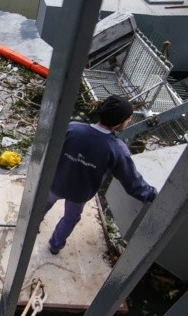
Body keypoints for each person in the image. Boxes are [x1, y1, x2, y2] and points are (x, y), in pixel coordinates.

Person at [44, 95, 157, 255]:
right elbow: (131, 181)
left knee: (43, 205)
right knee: (70, 218)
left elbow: (50, 149)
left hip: (56, 182)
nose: (129, 121)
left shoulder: (73, 128)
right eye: (128, 119)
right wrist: (152, 195)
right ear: (119, 123)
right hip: (79, 194)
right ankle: (55, 246)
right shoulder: (117, 149)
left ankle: (31, 226)